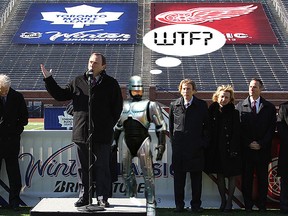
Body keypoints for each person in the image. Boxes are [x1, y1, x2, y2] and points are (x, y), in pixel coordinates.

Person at [40, 52, 123, 208]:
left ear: (103, 66)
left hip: (102, 133)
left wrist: (106, 125)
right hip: (81, 132)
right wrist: (48, 79)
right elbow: (60, 95)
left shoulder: (111, 83)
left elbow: (117, 108)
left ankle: (102, 197)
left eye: (96, 63)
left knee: (102, 167)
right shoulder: (78, 81)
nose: (92, 65)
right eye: (90, 62)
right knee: (82, 167)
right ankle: (84, 196)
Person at [113, 75, 166, 216]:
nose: (137, 92)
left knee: (148, 174)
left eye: (139, 90)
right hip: (126, 141)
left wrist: (161, 145)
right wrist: (114, 142)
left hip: (143, 141)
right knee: (125, 173)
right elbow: (118, 126)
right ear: (129, 90)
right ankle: (132, 194)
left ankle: (150, 202)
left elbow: (161, 126)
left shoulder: (151, 105)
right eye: (134, 90)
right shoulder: (123, 106)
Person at [235, 78, 276, 212]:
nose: (252, 89)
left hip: (262, 150)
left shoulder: (269, 107)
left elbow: (271, 128)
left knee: (262, 179)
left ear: (261, 89)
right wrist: (248, 143)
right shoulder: (240, 106)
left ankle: (262, 205)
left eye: (255, 87)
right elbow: (238, 128)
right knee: (247, 179)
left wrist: (261, 143)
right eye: (250, 87)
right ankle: (248, 205)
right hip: (247, 150)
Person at [169, 78, 209, 213]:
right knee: (178, 180)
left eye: (189, 89)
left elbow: (207, 127)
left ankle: (196, 206)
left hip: (196, 150)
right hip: (179, 150)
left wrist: (202, 143)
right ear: (180, 90)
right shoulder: (174, 105)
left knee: (196, 180)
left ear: (194, 90)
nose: (186, 91)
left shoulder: (202, 105)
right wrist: (175, 143)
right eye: (184, 89)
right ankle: (179, 205)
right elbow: (171, 127)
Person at [205, 85, 241, 212]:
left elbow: (237, 133)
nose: (224, 99)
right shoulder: (211, 111)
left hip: (230, 149)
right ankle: (223, 201)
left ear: (230, 99)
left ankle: (230, 202)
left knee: (231, 176)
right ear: (217, 97)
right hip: (215, 149)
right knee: (220, 175)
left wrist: (234, 149)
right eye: (222, 96)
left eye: (226, 97)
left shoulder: (235, 112)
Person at [0, 74, 29, 210]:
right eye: (1, 90)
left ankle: (14, 201)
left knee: (14, 174)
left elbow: (24, 119)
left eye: (5, 90)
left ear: (9, 86)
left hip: (12, 141)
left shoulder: (18, 97)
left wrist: (14, 130)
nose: (3, 93)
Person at [276, 101, 288, 214]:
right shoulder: (284, 107)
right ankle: (285, 206)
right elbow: (280, 126)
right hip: (287, 150)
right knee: (286, 180)